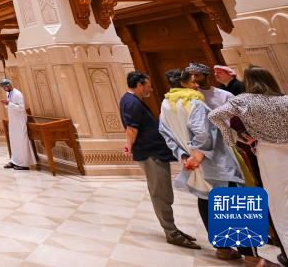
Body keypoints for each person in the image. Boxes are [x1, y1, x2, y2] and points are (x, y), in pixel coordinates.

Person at [158, 68, 252, 261]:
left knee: (206, 200)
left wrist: (184, 156)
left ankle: (223, 249)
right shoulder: (194, 103)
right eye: (193, 81)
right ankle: (251, 257)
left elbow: (166, 134)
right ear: (184, 83)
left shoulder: (166, 105)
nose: (196, 85)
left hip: (192, 164)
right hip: (213, 161)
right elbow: (203, 134)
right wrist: (198, 156)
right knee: (234, 203)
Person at [208, 66, 288, 257]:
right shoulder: (285, 99)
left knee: (280, 202)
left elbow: (214, 116)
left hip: (269, 153)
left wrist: (232, 140)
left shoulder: (243, 100)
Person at [120, 71, 200, 250]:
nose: (151, 89)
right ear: (139, 85)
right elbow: (131, 128)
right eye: (148, 86)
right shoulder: (131, 102)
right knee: (160, 193)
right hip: (150, 153)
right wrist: (129, 146)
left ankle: (173, 228)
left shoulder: (132, 100)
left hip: (154, 152)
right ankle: (171, 232)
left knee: (163, 191)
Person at [0, 78, 34, 171]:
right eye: (3, 88)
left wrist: (9, 104)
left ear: (9, 85)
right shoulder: (8, 93)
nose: (4, 89)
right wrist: (6, 104)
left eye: (5, 87)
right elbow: (11, 105)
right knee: (14, 141)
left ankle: (24, 164)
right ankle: (14, 161)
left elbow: (22, 108)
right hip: (13, 120)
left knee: (21, 141)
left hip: (20, 121)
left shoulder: (18, 94)